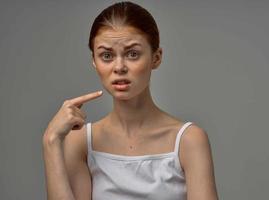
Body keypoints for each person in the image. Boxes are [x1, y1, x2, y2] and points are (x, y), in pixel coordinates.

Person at [42, 1, 219, 200]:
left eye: (132, 54)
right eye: (106, 55)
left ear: (156, 57)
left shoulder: (189, 140)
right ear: (94, 61)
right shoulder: (81, 141)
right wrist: (51, 141)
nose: (119, 67)